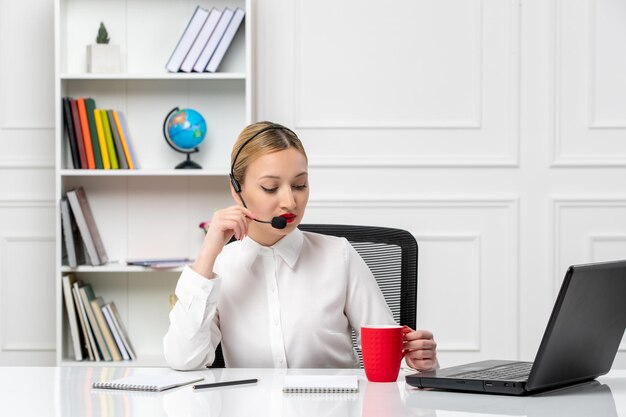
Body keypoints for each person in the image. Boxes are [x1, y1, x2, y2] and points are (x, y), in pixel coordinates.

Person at [163, 121, 437, 371]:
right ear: (237, 190)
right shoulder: (220, 268)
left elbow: (393, 365)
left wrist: (421, 362)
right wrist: (207, 255)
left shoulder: (339, 256)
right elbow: (184, 360)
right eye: (270, 188)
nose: (290, 202)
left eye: (300, 185)